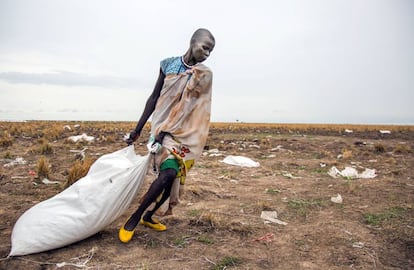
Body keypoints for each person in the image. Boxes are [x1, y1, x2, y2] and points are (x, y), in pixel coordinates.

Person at [119, 28, 215, 243]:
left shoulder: (204, 74)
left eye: (211, 52)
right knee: (168, 174)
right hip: (160, 126)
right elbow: (154, 98)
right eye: (205, 48)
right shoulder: (167, 64)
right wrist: (138, 129)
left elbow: (194, 108)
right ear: (193, 42)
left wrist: (170, 130)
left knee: (172, 176)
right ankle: (134, 218)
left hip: (184, 132)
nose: (207, 54)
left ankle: (148, 216)